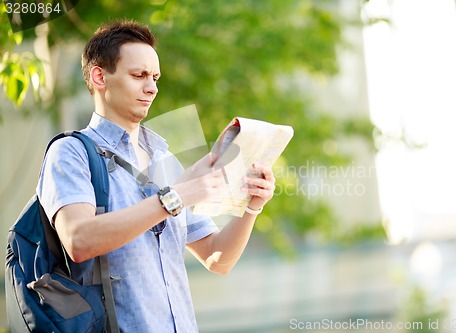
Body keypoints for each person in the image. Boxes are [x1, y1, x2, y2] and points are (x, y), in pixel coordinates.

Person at [36, 20, 276, 332]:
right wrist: (174, 198)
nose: (152, 87)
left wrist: (251, 207)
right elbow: (79, 240)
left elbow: (218, 260)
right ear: (99, 76)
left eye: (155, 77)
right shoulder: (71, 152)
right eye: (138, 76)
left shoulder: (164, 158)